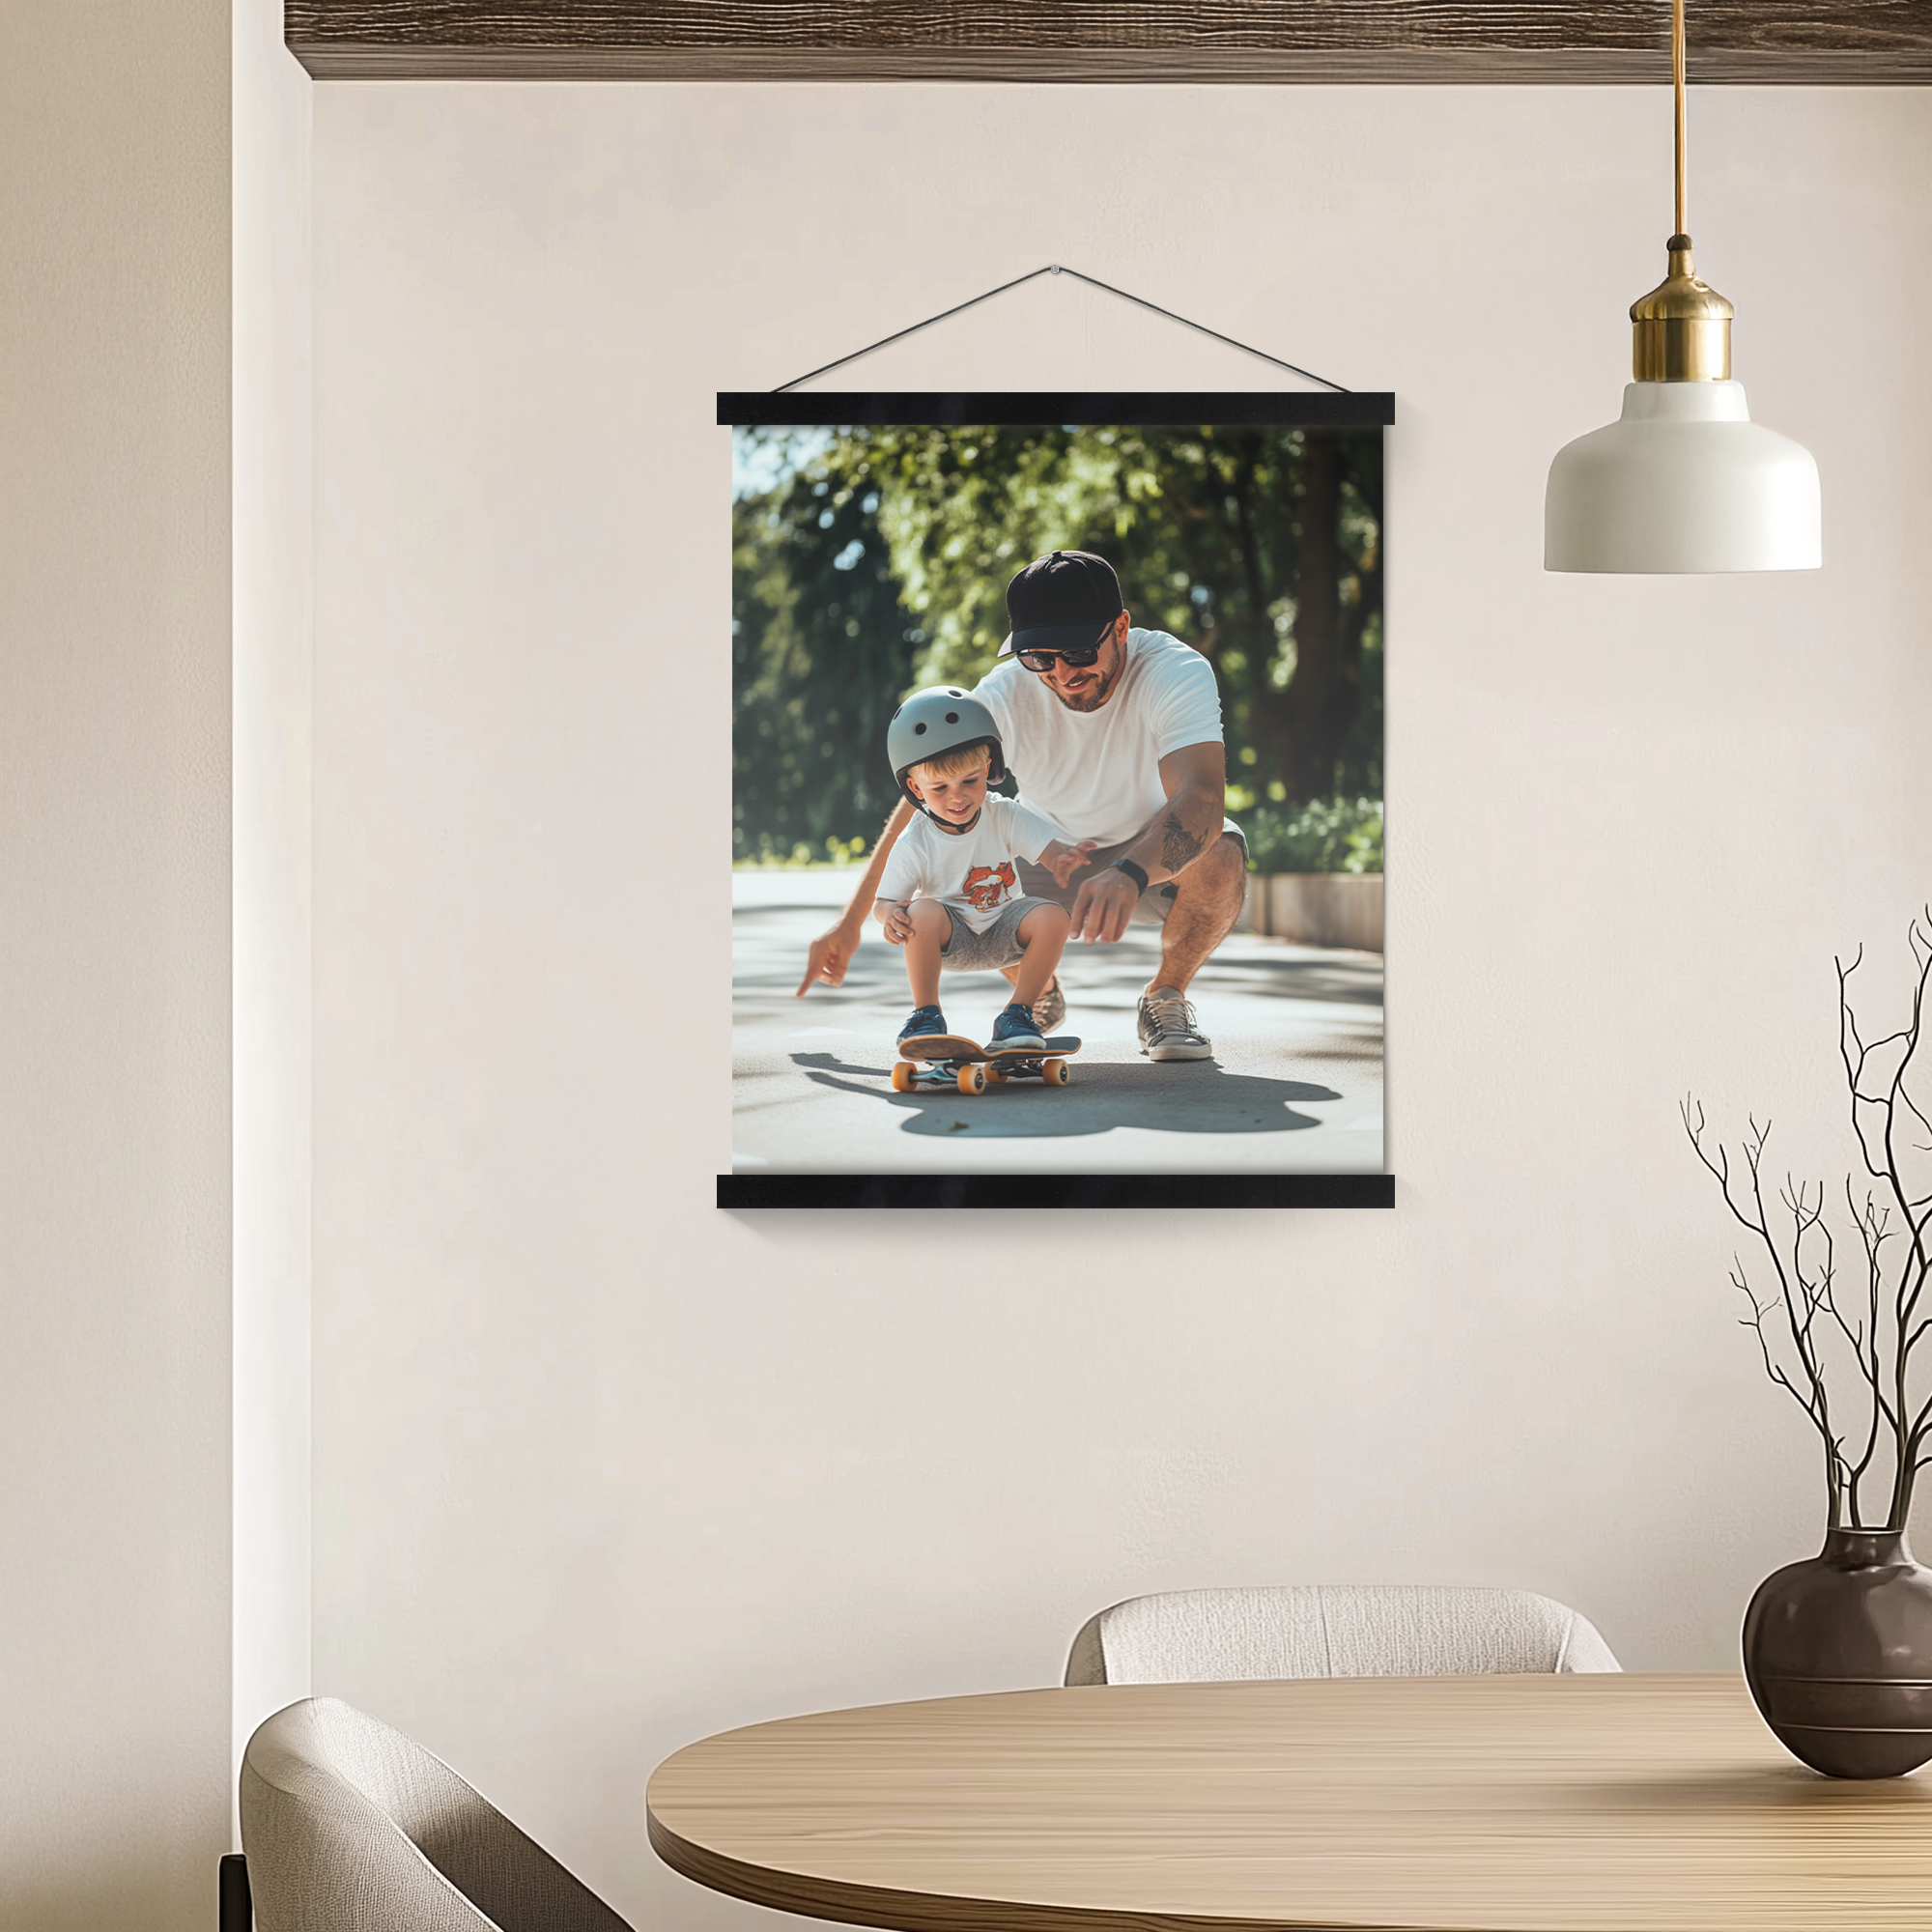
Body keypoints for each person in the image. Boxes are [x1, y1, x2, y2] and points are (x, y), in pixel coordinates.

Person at [800, 550, 1247, 1063]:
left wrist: (1130, 871)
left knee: (1221, 854)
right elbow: (922, 807)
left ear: (1121, 628)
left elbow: (1202, 797)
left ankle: (1165, 996)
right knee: (951, 862)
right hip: (1041, 853)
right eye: (1039, 658)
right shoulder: (1003, 695)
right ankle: (1035, 997)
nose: (1061, 672)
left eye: (1078, 651)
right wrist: (850, 923)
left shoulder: (1173, 670)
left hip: (1148, 853)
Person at [875, 687, 1095, 1051]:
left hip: (1005, 928)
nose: (957, 797)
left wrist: (1061, 860)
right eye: (940, 787)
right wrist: (889, 915)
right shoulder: (915, 840)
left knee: (1054, 917)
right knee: (921, 910)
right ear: (915, 787)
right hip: (952, 937)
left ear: (988, 768)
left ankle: (1017, 1015)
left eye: (970, 781)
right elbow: (883, 902)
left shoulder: (1003, 813)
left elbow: (1048, 850)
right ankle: (926, 1015)